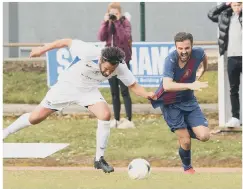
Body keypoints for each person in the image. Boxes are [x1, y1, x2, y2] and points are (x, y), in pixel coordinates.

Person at [3, 38, 156, 173]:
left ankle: (99, 159)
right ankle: (4, 133)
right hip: (67, 86)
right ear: (101, 59)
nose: (108, 72)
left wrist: (147, 94)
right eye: (107, 68)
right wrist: (42, 49)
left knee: (105, 114)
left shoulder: (120, 67)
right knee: (36, 118)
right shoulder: (88, 51)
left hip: (88, 91)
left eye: (112, 70)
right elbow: (65, 41)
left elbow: (134, 86)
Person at [151, 32, 210, 174]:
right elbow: (167, 85)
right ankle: (187, 168)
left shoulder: (199, 53)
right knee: (186, 141)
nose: (184, 51)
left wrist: (200, 73)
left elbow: (204, 60)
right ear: (176, 47)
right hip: (170, 103)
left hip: (189, 101)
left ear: (192, 46)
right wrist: (191, 85)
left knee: (204, 136)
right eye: (180, 48)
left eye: (187, 48)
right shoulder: (170, 60)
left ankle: (185, 130)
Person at [98, 2, 133, 128]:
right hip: (110, 62)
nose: (113, 15)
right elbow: (101, 37)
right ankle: (117, 120)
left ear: (120, 13)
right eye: (111, 13)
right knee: (114, 92)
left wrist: (117, 22)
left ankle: (129, 119)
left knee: (125, 91)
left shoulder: (124, 23)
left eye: (116, 13)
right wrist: (105, 22)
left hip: (122, 60)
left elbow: (124, 38)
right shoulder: (108, 23)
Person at [208, 2, 242, 127]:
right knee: (233, 89)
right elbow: (211, 14)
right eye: (235, 5)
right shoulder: (225, 17)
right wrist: (225, 4)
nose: (237, 8)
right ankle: (235, 117)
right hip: (232, 58)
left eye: (240, 5)